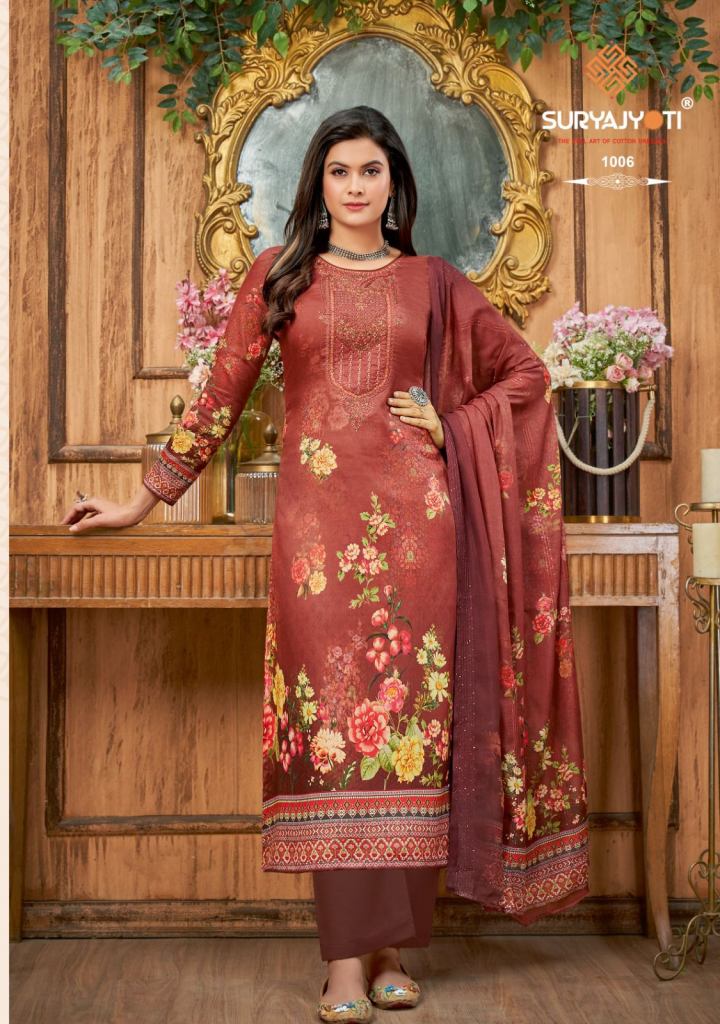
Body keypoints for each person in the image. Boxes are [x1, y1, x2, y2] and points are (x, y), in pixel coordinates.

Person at [62, 106, 589, 1023]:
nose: (355, 186)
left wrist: (452, 424)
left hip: (421, 538)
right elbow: (219, 396)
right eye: (340, 171)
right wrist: (142, 499)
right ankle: (344, 960)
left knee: (408, 739)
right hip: (315, 549)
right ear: (318, 182)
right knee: (338, 731)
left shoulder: (433, 282)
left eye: (371, 171)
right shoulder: (280, 276)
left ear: (395, 184)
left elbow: (526, 376)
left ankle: (391, 951)